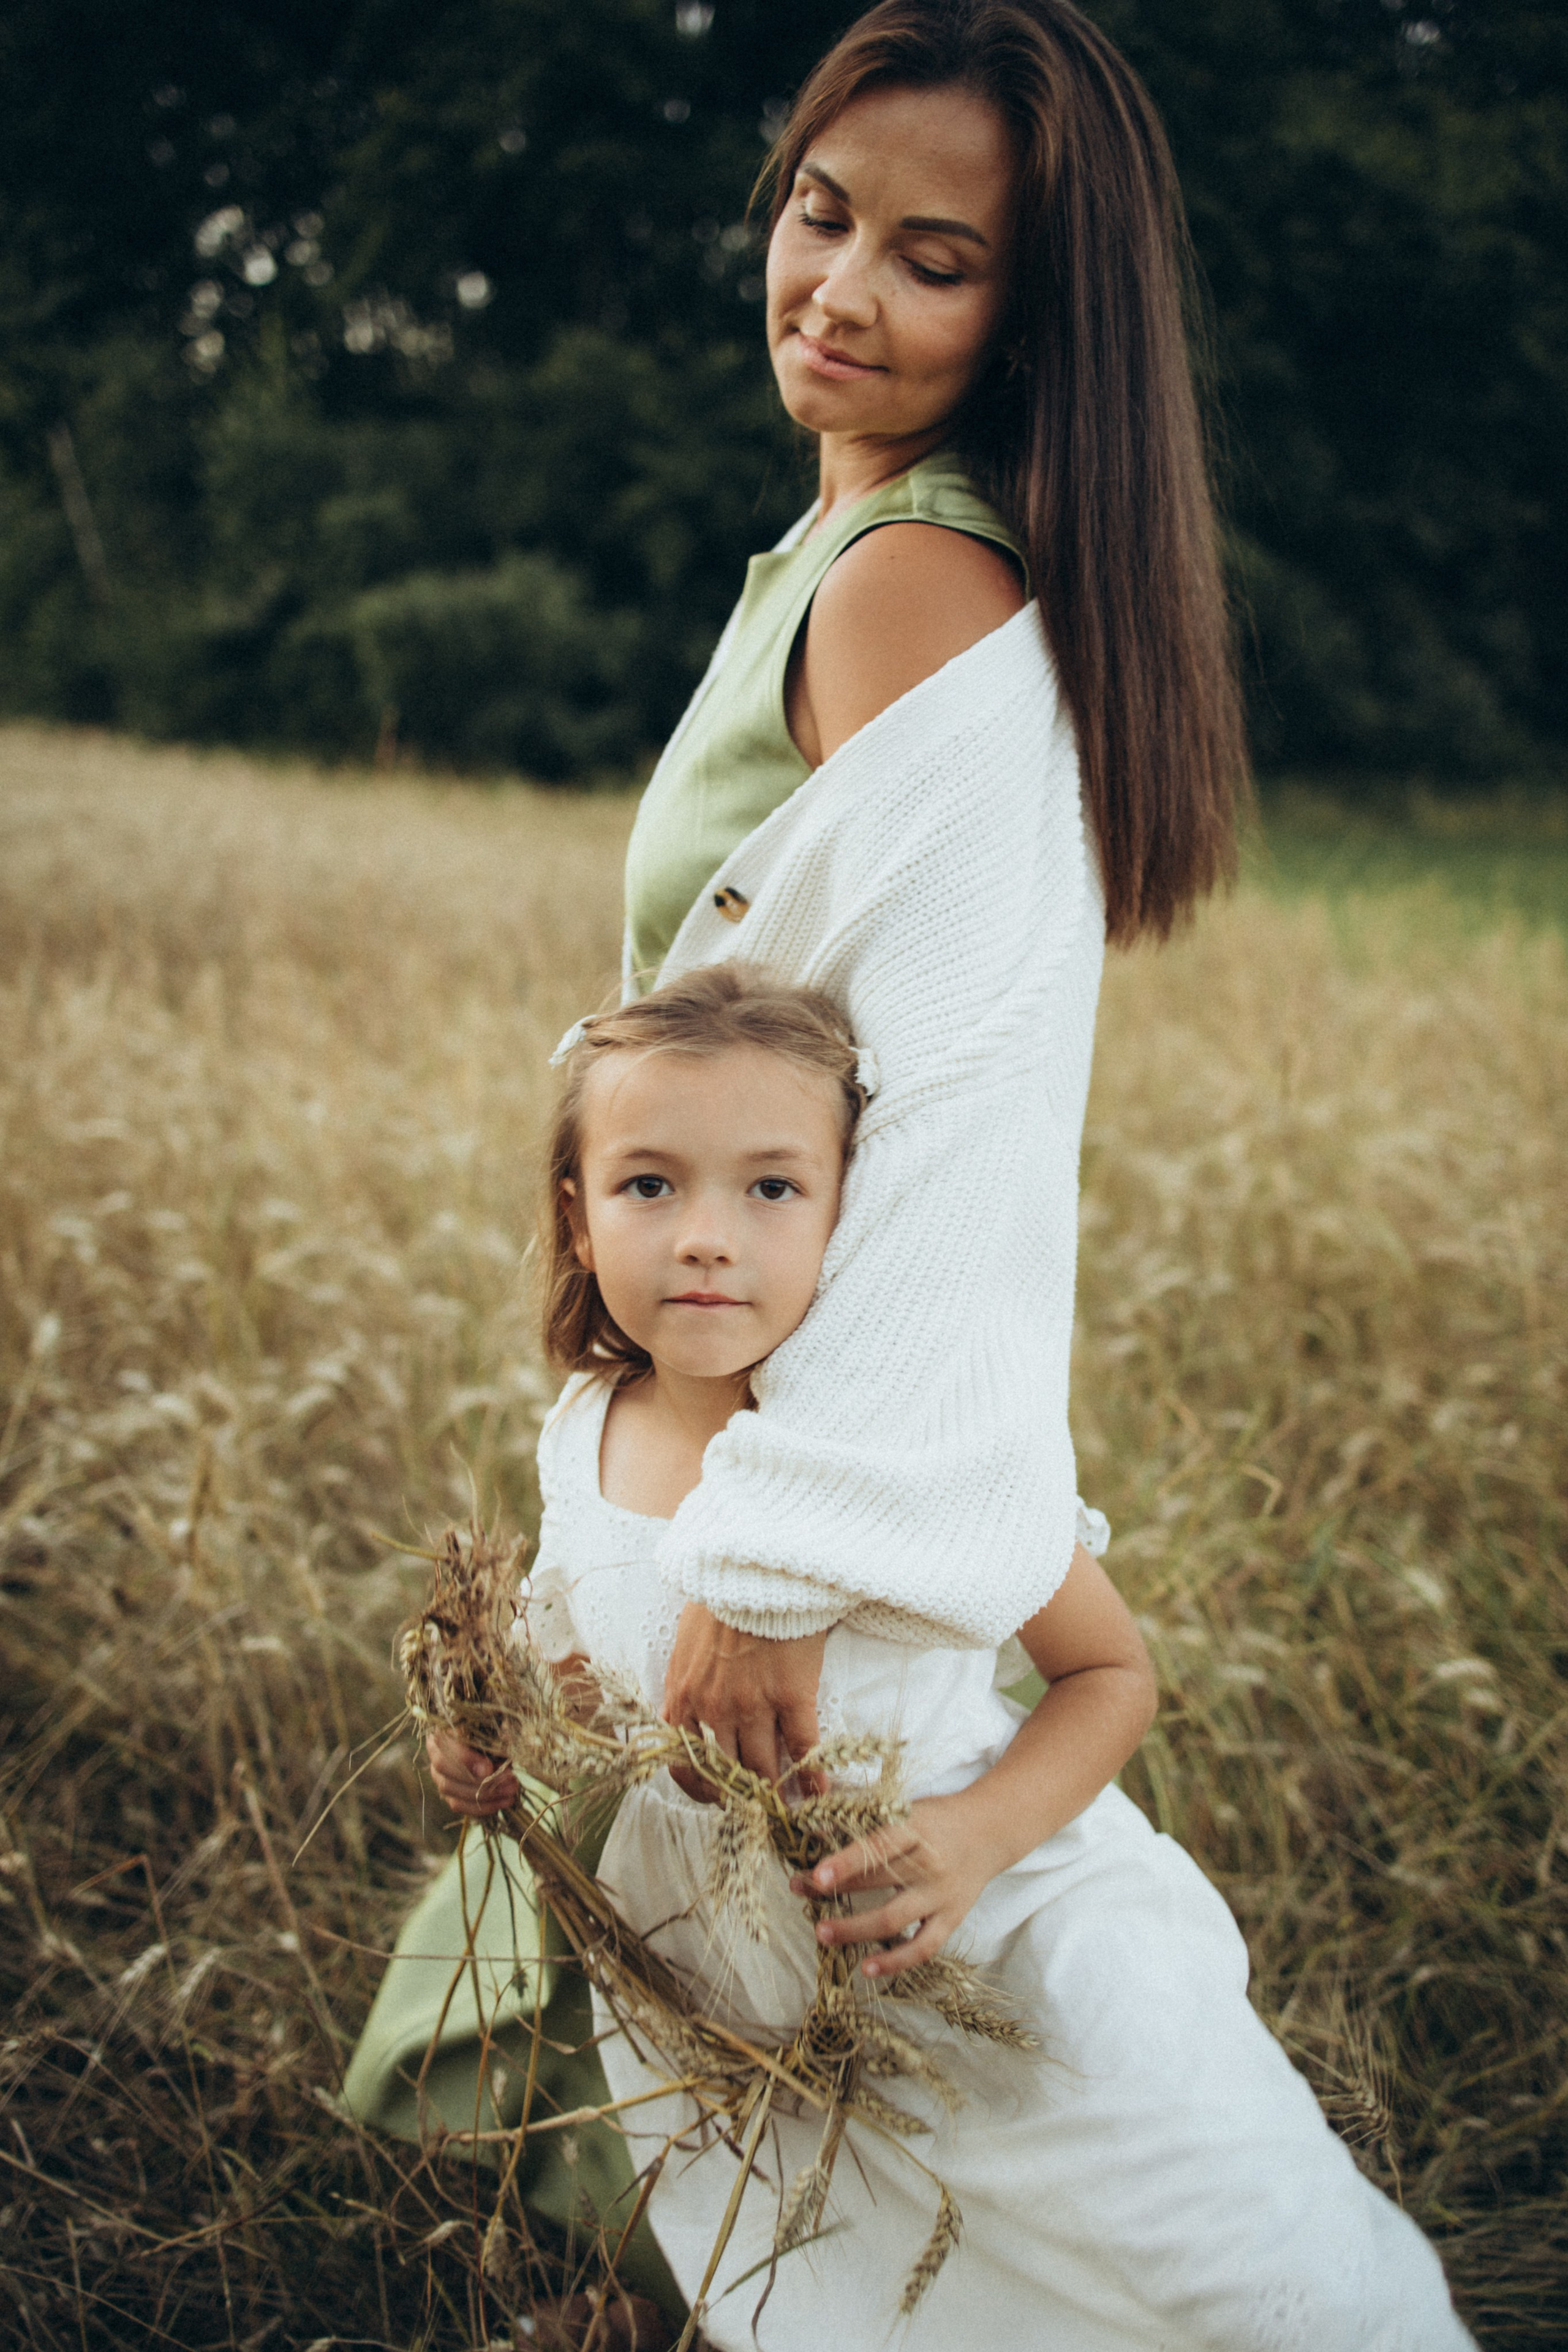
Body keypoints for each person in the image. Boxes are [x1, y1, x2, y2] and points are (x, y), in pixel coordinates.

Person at [345, 0, 1472, 2340]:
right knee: (823, 2090)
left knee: (1058, 2104)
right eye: (820, 211)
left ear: (1032, 319)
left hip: (799, 1467)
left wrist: (792, 1539)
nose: (839, 285)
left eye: (932, 258)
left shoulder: (911, 584)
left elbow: (959, 1102)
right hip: (711, 1387)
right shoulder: (832, 541)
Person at [426, 962, 1471, 2350]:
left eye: (772, 1189)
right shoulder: (584, 1426)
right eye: (648, 1186)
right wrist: (493, 1734)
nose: (704, 1239)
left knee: (1226, 2255)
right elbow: (587, 1664)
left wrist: (976, 1836)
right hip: (744, 1994)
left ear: (861, 1217)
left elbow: (1110, 1675)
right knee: (876, 2286)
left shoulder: (909, 1456)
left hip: (997, 1934)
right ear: (576, 1210)